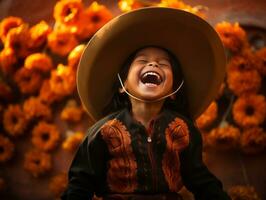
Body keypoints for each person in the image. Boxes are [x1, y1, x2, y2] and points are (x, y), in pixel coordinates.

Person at [62, 7, 231, 200]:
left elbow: (201, 181)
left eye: (164, 64)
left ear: (174, 90)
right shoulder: (102, 132)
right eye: (142, 61)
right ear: (122, 85)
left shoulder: (183, 130)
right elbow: (80, 184)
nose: (153, 65)